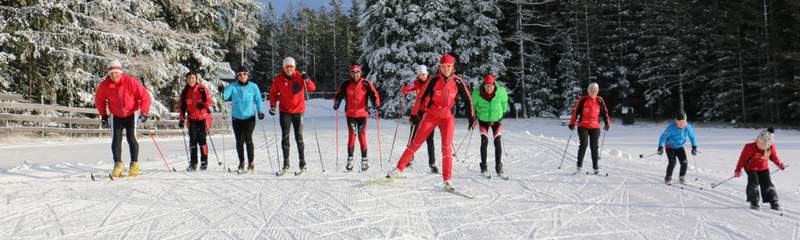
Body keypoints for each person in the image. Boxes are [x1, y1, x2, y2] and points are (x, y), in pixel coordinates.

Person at [388, 54, 476, 191]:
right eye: (443, 66)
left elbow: (468, 99)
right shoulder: (433, 80)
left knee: (446, 148)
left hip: (447, 118)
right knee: (415, 143)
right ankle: (398, 169)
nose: (446, 69)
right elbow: (421, 97)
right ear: (440, 67)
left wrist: (471, 117)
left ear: (453, 67)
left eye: (448, 66)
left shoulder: (458, 81)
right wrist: (414, 114)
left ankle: (447, 180)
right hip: (431, 116)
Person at [94, 59, 152, 178]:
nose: (114, 75)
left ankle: (134, 164)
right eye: (111, 73)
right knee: (116, 140)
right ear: (109, 74)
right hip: (116, 115)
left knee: (132, 138)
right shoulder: (105, 85)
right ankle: (118, 165)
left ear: (120, 72)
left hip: (132, 113)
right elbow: (99, 100)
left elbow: (145, 96)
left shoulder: (130, 82)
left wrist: (144, 112)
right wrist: (104, 115)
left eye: (116, 72)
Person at [269, 57, 317, 175]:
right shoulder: (279, 79)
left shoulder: (299, 76)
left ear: (294, 68)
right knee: (285, 137)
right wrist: (273, 106)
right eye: (287, 67)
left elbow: (312, 88)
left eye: (291, 66)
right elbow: (273, 93)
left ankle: (302, 164)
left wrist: (307, 79)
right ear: (283, 67)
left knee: (298, 137)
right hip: (285, 111)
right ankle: (286, 165)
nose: (289, 69)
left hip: (298, 111)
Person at [333, 64, 381, 171]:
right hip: (350, 115)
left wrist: (376, 104)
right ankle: (350, 161)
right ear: (350, 73)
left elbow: (374, 95)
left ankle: (364, 161)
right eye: (353, 72)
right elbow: (339, 95)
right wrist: (336, 103)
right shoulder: (346, 84)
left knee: (362, 135)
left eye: (358, 72)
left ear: (361, 73)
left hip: (362, 114)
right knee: (352, 136)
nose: (356, 74)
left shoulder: (366, 83)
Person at [220, 70, 264, 173]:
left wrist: (260, 111)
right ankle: (241, 162)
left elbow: (258, 100)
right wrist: (222, 92)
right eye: (240, 74)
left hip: (250, 117)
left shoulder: (253, 86)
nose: (242, 76)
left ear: (248, 75)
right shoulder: (233, 86)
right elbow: (224, 97)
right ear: (237, 76)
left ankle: (251, 163)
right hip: (237, 118)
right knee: (239, 141)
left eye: (244, 74)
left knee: (248, 139)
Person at [735, 127, 785, 210]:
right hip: (750, 167)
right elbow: (742, 159)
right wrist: (738, 170)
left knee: (768, 183)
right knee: (753, 182)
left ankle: (773, 201)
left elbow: (773, 157)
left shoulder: (770, 148)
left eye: (764, 144)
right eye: (760, 142)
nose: (761, 145)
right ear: (757, 139)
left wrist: (779, 164)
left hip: (763, 168)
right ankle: (754, 201)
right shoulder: (749, 147)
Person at [400, 65, 438, 173]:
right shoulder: (416, 83)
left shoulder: (432, 82)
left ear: (427, 74)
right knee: (413, 137)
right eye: (421, 75)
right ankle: (409, 158)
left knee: (429, 139)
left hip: (430, 113)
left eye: (424, 74)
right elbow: (409, 88)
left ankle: (432, 163)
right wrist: (404, 89)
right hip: (418, 113)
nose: (422, 76)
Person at [568, 82, 611, 174]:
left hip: (595, 126)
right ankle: (579, 167)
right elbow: (576, 112)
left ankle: (596, 168)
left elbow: (605, 112)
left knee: (594, 147)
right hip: (583, 126)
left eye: (595, 90)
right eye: (591, 90)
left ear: (597, 91)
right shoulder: (583, 100)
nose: (593, 92)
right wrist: (572, 123)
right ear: (588, 90)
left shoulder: (600, 100)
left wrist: (607, 122)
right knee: (584, 144)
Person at [472, 74, 509, 178]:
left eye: (491, 86)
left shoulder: (501, 92)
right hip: (483, 120)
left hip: (496, 119)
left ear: (494, 85)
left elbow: (504, 103)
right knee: (484, 142)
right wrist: (473, 117)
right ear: (483, 85)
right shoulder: (477, 93)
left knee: (497, 142)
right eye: (487, 86)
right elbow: (473, 105)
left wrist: (503, 112)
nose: (489, 88)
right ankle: (483, 167)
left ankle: (499, 168)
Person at [178, 72, 213, 171]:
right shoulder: (185, 92)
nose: (191, 80)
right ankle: (193, 163)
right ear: (186, 80)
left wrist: (204, 104)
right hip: (192, 119)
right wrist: (181, 119)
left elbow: (209, 101)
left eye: (193, 78)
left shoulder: (202, 89)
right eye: (189, 78)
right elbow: (181, 107)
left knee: (202, 140)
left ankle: (204, 162)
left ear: (196, 79)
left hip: (203, 118)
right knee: (193, 141)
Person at [657, 111, 698, 184]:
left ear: (686, 121)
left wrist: (694, 146)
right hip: (670, 147)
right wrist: (660, 147)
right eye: (679, 123)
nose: (682, 124)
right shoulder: (671, 128)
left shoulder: (688, 127)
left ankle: (682, 177)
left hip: (679, 147)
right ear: (676, 122)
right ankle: (668, 178)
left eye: (683, 122)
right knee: (672, 162)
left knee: (684, 163)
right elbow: (663, 137)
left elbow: (692, 137)